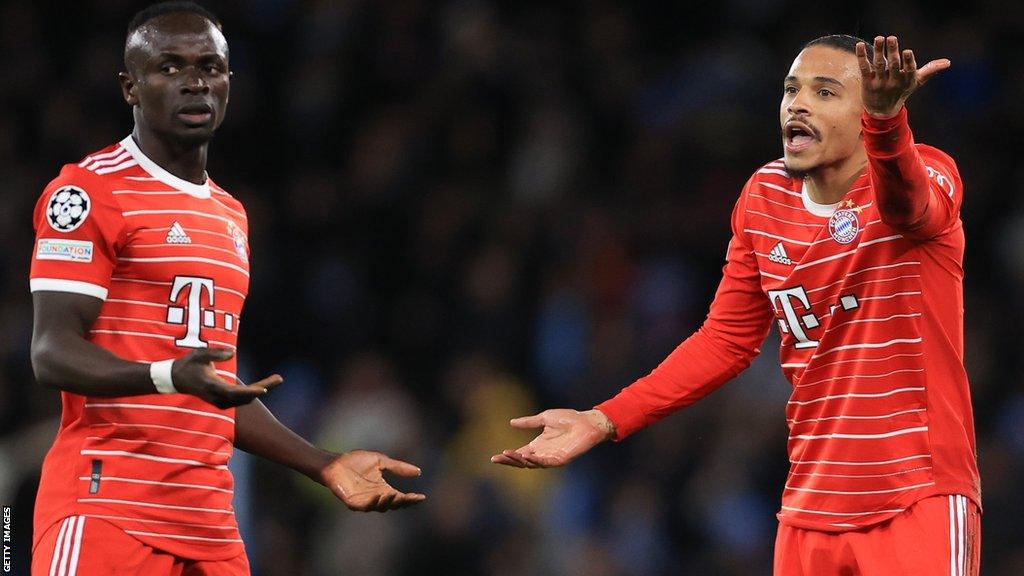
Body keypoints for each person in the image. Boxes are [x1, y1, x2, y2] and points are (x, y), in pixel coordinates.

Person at [494, 34, 981, 575]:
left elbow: (911, 209)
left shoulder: (930, 171)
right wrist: (605, 418)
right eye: (792, 89)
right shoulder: (763, 196)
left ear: (870, 112)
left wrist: (890, 129)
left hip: (916, 499)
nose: (797, 103)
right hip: (809, 511)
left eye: (824, 93)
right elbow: (725, 341)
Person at [28, 3, 425, 574]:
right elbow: (50, 352)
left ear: (229, 84)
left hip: (210, 526)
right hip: (107, 512)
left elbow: (214, 389)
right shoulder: (89, 191)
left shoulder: (231, 217)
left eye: (210, 67)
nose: (195, 82)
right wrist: (166, 376)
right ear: (130, 88)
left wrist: (323, 463)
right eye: (169, 67)